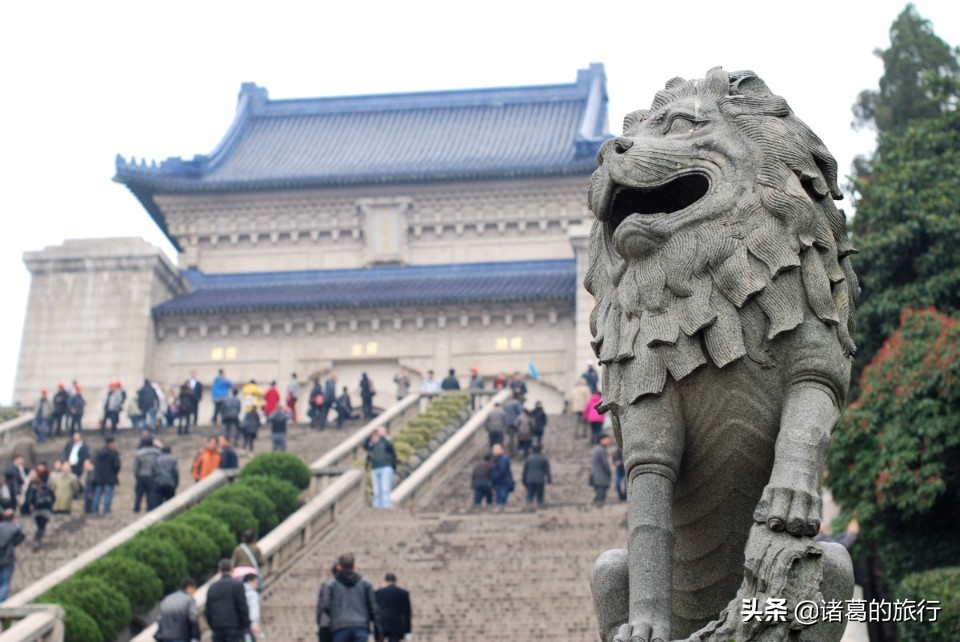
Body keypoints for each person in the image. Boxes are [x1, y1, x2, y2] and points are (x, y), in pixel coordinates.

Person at [320, 553, 380, 642]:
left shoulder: (331, 584)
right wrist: (378, 632)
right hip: (361, 626)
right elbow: (374, 608)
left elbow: (326, 605)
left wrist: (335, 615)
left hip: (339, 627)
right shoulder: (365, 583)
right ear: (354, 567)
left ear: (339, 567)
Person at [205, 559, 250, 642]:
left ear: (219, 570)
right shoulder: (237, 585)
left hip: (217, 627)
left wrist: (213, 625)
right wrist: (246, 625)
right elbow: (242, 607)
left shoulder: (212, 587)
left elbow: (208, 610)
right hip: (234, 626)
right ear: (232, 569)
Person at [155, 577, 200, 642]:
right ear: (189, 587)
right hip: (181, 636)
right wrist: (197, 636)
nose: (194, 593)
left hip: (166, 638)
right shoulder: (188, 599)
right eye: (194, 589)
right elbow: (193, 618)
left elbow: (159, 619)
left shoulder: (166, 600)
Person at [364, 427, 396, 509]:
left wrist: (383, 436)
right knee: (376, 490)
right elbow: (365, 446)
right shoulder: (372, 444)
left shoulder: (386, 441)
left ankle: (386, 506)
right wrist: (369, 436)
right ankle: (377, 506)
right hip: (375, 468)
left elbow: (391, 447)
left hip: (386, 467)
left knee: (385, 488)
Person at [375, 573, 412, 642]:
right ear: (396, 582)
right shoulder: (403, 593)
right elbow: (407, 613)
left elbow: (375, 611)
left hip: (382, 622)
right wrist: (408, 631)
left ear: (385, 582)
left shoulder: (378, 593)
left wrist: (375, 629)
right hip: (396, 624)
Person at [23, 469, 54, 550]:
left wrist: (28, 506)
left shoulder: (33, 486)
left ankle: (37, 540)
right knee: (41, 526)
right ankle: (37, 540)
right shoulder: (46, 487)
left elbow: (29, 498)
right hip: (45, 510)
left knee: (40, 526)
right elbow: (53, 498)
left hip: (37, 510)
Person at [0, 509, 26, 602]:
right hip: (8, 557)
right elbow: (22, 536)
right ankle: (1, 601)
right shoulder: (15, 527)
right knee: (5, 582)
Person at [91, 437, 121, 515]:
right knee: (108, 495)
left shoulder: (99, 453)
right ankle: (106, 510)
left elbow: (95, 464)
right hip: (109, 478)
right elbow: (117, 466)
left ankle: (94, 510)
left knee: (97, 495)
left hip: (99, 478)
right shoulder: (113, 454)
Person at [133, 437, 162, 512]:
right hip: (152, 475)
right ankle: (149, 507)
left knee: (139, 493)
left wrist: (136, 474)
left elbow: (136, 466)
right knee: (151, 492)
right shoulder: (157, 453)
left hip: (141, 475)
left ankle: (137, 507)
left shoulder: (139, 453)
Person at [590, 434, 613, 507]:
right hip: (601, 476)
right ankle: (598, 507)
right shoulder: (601, 450)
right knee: (601, 495)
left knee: (598, 493)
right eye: (607, 439)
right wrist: (609, 472)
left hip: (596, 475)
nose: (609, 441)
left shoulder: (596, 448)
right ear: (602, 440)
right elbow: (605, 463)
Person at [317, 565, 337, 642]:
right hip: (339, 626)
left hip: (325, 623)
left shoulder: (325, 585)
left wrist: (319, 620)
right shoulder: (344, 586)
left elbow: (320, 606)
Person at [242, 572, 263, 638]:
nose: (257, 583)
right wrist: (254, 622)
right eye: (255, 581)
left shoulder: (240, 592)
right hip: (250, 624)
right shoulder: (253, 594)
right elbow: (254, 608)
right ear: (250, 581)